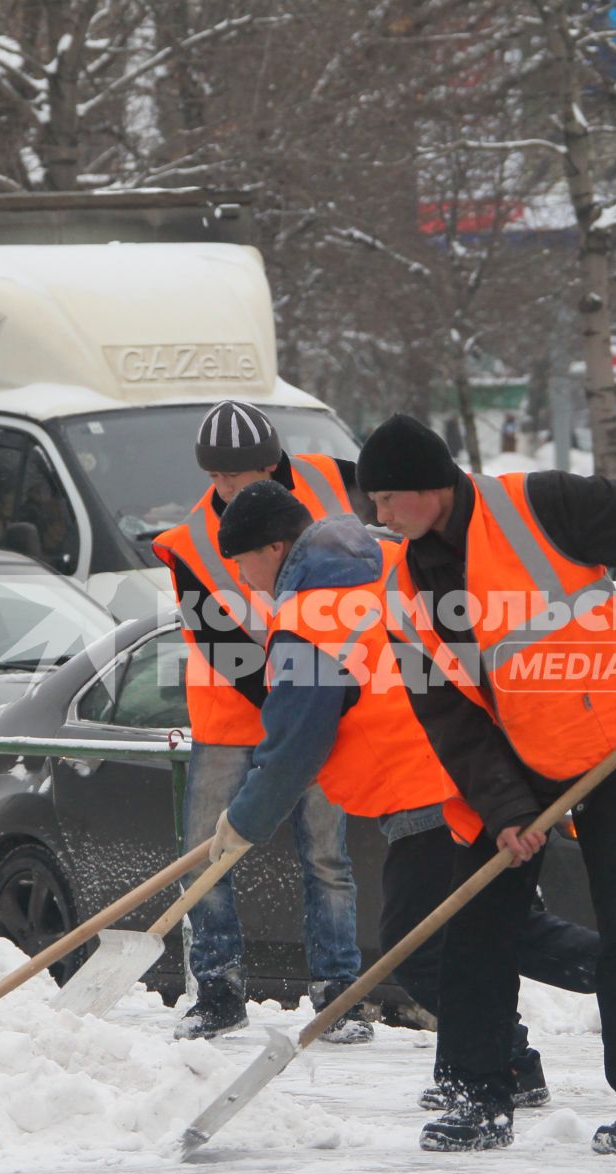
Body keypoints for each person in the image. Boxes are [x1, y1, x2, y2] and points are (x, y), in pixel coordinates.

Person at [357, 413, 616, 1155]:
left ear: (429, 489)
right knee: (478, 930)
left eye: (388, 499)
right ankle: (477, 1098)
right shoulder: (401, 587)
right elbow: (446, 712)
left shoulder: (539, 506)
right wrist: (506, 811)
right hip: (505, 754)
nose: (379, 516)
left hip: (604, 740)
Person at [211, 481, 616, 1108]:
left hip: (429, 789)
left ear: (274, 547)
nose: (245, 582)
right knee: (495, 927)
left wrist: (245, 820)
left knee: (420, 944)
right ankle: (521, 1055)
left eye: (244, 565)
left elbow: (296, 741)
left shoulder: (307, 621)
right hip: (485, 775)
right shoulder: (395, 571)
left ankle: (511, 1061)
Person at [150, 401, 366, 1041]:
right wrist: (292, 714)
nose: (227, 489)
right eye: (217, 477)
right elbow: (223, 645)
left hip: (323, 704)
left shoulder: (335, 482)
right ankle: (218, 990)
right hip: (230, 715)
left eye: (241, 475)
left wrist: (318, 706)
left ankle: (338, 994)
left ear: (272, 462)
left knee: (328, 858)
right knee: (206, 854)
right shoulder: (190, 541)